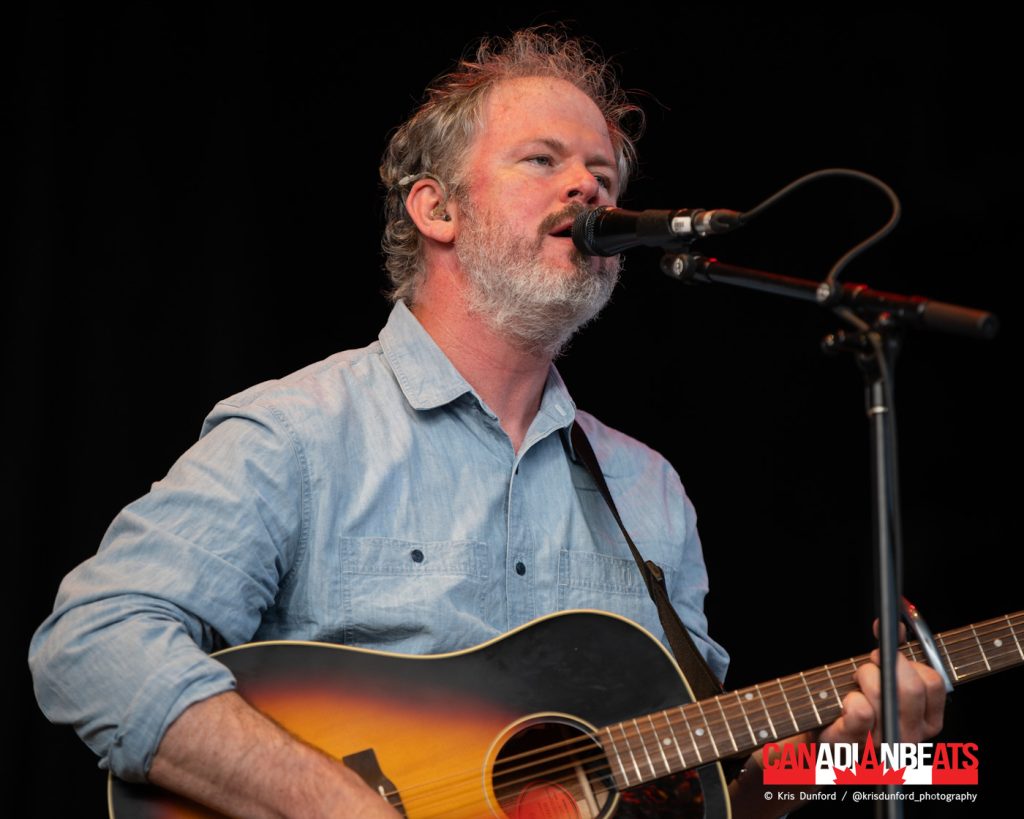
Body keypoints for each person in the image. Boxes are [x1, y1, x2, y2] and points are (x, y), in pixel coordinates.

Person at [29, 28, 945, 818]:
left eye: (603, 175)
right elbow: (92, 641)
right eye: (544, 161)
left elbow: (702, 799)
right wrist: (337, 802)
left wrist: (854, 760)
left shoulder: (648, 490)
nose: (589, 191)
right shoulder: (300, 433)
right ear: (436, 208)